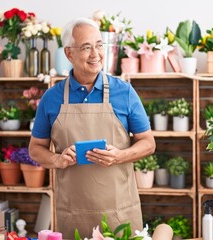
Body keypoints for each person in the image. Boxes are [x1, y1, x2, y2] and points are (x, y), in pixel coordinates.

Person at [29, 18, 155, 239]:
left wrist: (120, 156)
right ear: (69, 54)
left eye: (99, 45)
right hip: (72, 214)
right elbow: (35, 148)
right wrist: (58, 160)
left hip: (119, 211)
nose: (95, 53)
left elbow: (148, 143)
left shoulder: (123, 92)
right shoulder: (51, 98)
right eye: (86, 47)